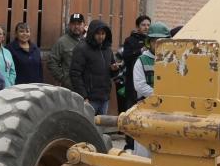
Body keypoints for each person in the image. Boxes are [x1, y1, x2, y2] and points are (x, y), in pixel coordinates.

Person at [131, 21, 170, 156]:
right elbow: (140, 85)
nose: (158, 45)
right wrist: (158, 96)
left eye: (162, 41)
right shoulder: (141, 60)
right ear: (149, 42)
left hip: (165, 110)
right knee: (143, 147)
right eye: (155, 41)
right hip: (145, 108)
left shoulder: (171, 61)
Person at [70, 19, 120, 116]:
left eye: (103, 34)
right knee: (88, 128)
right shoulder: (82, 48)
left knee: (101, 127)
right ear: (92, 33)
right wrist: (83, 96)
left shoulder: (107, 49)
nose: (101, 37)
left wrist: (114, 69)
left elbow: (111, 73)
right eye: (98, 34)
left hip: (104, 98)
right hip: (89, 99)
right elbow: (75, 74)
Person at [118, 15, 150, 148]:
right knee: (131, 114)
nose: (146, 27)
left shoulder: (151, 41)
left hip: (147, 84)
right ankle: (130, 144)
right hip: (132, 84)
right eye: (143, 25)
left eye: (148, 25)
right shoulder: (130, 41)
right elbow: (126, 56)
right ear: (138, 27)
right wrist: (140, 50)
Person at [48, 12, 86, 87]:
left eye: (79, 24)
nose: (76, 26)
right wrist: (63, 78)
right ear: (69, 25)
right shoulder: (62, 42)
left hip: (86, 86)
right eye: (73, 24)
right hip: (70, 87)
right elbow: (51, 62)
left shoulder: (88, 41)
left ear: (84, 25)